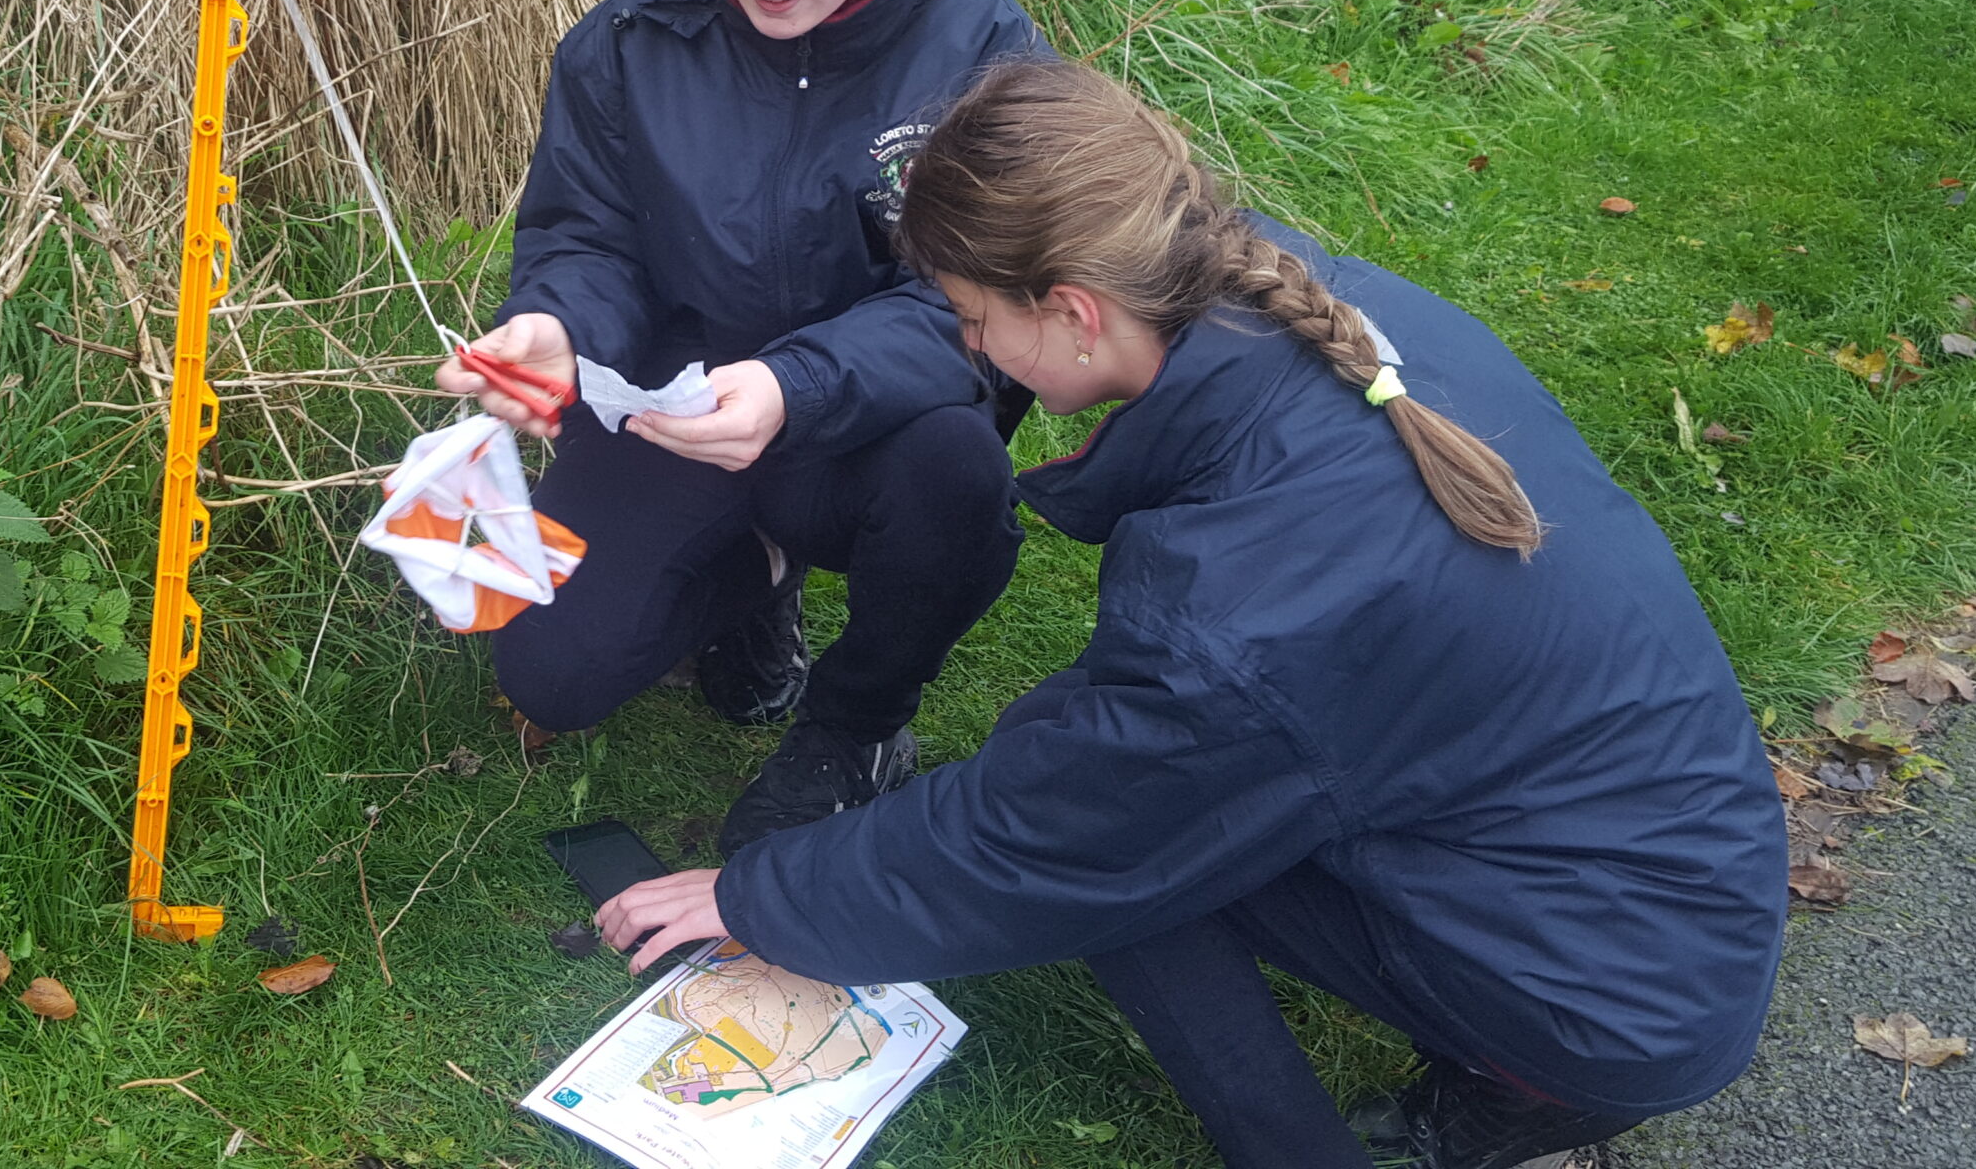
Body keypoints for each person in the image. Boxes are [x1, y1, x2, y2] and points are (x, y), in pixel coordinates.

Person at [598, 58, 1788, 1169]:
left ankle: (1426, 1114)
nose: (973, 350)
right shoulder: (1334, 310)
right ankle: (1512, 1065)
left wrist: (758, 896)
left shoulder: (1251, 619)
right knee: (1100, 778)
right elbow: (1165, 715)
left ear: (1070, 312)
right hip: (1685, 881)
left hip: (1616, 1003)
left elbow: (1063, 832)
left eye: (972, 321)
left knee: (1118, 858)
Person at [436, 0, 1048, 851]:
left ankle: (856, 721)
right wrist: (555, 329)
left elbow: (980, 308)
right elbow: (586, 235)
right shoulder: (627, 43)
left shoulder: (985, 51)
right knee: (551, 672)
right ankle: (753, 580)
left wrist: (798, 387)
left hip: (876, 424)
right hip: (679, 403)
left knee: (957, 475)